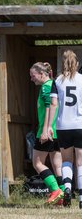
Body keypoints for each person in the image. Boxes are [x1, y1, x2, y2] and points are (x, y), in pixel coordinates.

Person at [48, 50, 82, 208]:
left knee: (67, 160)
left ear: (63, 63)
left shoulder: (57, 81)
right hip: (79, 124)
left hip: (63, 126)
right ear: (77, 63)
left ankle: (67, 188)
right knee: (80, 162)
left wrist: (49, 125)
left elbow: (53, 104)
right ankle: (81, 198)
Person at [30, 62, 64, 205]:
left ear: (42, 74)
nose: (32, 79)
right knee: (57, 165)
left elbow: (50, 107)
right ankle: (63, 196)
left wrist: (45, 130)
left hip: (47, 131)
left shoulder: (45, 87)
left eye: (33, 76)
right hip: (57, 131)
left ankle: (56, 191)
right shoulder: (53, 84)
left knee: (37, 162)